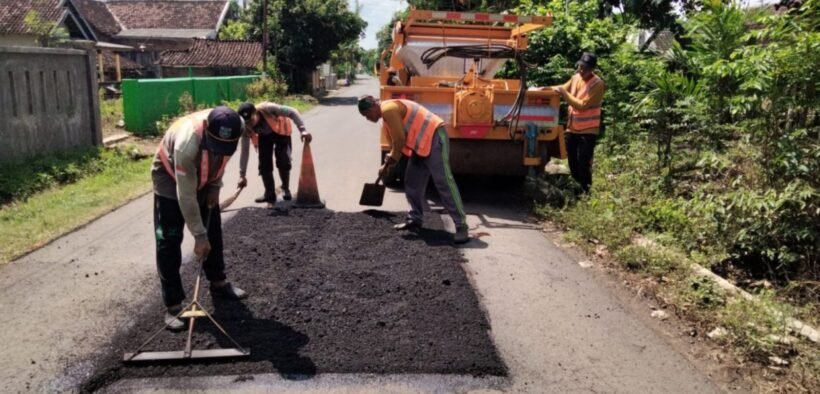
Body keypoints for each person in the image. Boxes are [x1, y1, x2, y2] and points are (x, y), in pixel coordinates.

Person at [151, 106, 250, 331]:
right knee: (169, 238)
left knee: (213, 227)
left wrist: (215, 186)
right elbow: (185, 194)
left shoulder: (237, 126)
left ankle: (218, 282)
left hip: (206, 176)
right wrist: (198, 235)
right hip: (169, 176)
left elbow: (222, 159)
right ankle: (173, 305)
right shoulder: (187, 145)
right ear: (206, 130)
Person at [357, 95, 469, 244]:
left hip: (435, 137)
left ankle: (461, 225)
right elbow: (394, 146)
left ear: (372, 108)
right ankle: (415, 218)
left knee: (443, 182)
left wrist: (391, 160)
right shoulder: (385, 118)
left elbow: (400, 139)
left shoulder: (388, 109)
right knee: (412, 182)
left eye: (366, 115)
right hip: (421, 146)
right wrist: (388, 164)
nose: (367, 119)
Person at [546, 52, 606, 194]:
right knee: (572, 160)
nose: (581, 70)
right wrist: (544, 89)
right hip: (572, 128)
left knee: (583, 162)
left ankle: (586, 190)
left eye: (584, 68)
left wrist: (564, 94)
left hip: (588, 130)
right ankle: (576, 189)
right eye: (580, 66)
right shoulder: (575, 78)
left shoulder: (598, 84)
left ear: (592, 69)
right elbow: (561, 88)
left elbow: (582, 105)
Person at [237, 101, 312, 204]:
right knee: (264, 165)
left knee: (283, 161)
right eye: (247, 122)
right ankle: (269, 194)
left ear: (256, 112)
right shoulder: (245, 127)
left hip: (281, 131)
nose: (250, 124)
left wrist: (302, 129)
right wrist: (242, 175)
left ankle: (286, 188)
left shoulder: (269, 108)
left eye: (251, 120)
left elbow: (292, 112)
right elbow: (244, 151)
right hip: (264, 136)